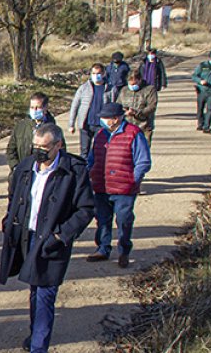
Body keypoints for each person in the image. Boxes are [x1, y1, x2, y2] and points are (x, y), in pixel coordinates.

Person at [0, 123, 95, 353]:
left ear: (58, 145)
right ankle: (34, 337)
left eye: (44, 147)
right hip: (25, 238)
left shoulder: (74, 171)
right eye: (36, 146)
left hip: (51, 242)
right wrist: (10, 221)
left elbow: (85, 209)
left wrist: (61, 235)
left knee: (45, 296)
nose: (39, 152)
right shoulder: (25, 167)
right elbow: (15, 196)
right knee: (33, 290)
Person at [86, 103, 152, 268]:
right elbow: (91, 158)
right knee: (102, 219)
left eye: (104, 118)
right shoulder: (100, 134)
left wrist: (133, 180)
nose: (101, 120)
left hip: (124, 188)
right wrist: (89, 173)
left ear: (115, 119)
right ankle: (102, 248)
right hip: (101, 186)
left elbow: (143, 161)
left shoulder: (134, 134)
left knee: (124, 220)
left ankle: (124, 251)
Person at [6, 92, 56, 173]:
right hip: (21, 174)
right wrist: (16, 167)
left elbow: (59, 152)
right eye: (32, 107)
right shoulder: (21, 127)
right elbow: (11, 150)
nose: (34, 111)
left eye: (38, 108)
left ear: (45, 108)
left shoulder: (53, 129)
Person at [68, 64, 107, 157]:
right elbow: (75, 105)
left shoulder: (110, 89)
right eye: (93, 73)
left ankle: (96, 170)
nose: (96, 76)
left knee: (99, 151)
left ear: (103, 73)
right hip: (86, 124)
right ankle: (84, 170)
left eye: (98, 73)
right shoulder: (84, 88)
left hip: (101, 125)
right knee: (84, 152)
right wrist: (71, 124)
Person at [117, 72, 159, 145]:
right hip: (127, 126)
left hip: (144, 126)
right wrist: (124, 112)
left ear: (140, 80)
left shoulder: (149, 89)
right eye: (130, 84)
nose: (132, 86)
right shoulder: (124, 90)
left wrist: (137, 112)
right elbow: (118, 105)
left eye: (134, 84)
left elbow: (152, 106)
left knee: (143, 151)